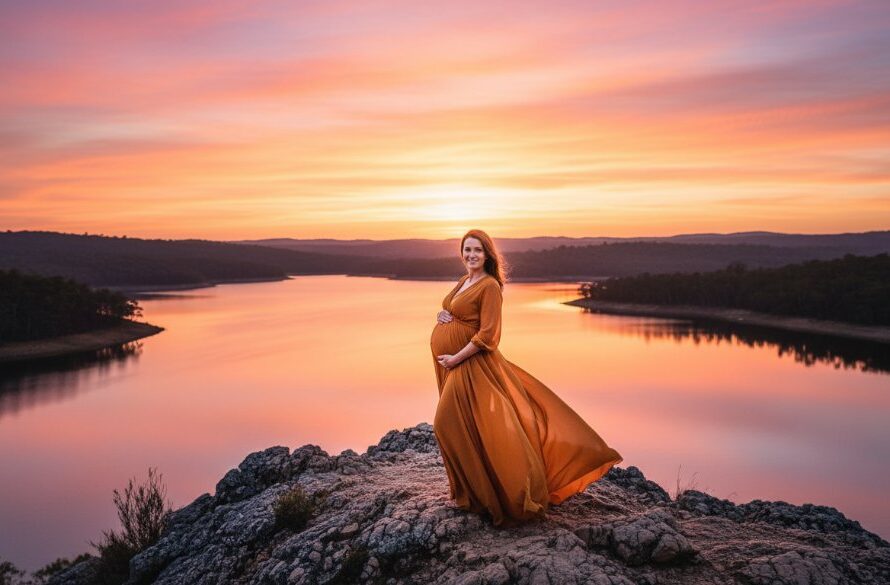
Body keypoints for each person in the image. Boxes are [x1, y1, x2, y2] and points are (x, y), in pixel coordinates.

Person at [430, 229, 623, 526]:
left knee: (447, 423)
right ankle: (471, 495)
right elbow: (458, 312)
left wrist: (455, 358)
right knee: (470, 425)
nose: (471, 255)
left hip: (471, 365)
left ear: (488, 255)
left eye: (477, 251)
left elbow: (489, 335)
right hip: (455, 364)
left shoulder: (490, 286)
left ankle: (497, 495)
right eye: (467, 250)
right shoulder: (464, 280)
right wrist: (444, 316)